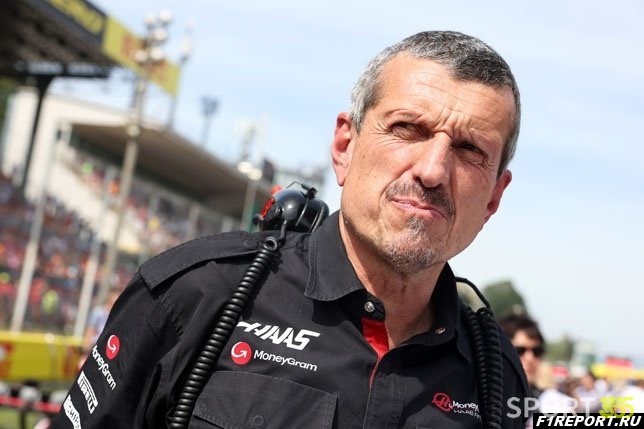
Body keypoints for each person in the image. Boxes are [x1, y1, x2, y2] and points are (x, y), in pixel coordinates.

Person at [52, 30, 527, 428]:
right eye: (407, 129)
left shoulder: (497, 376)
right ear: (344, 147)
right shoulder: (198, 293)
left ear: (494, 196)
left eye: (470, 150)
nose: (433, 170)